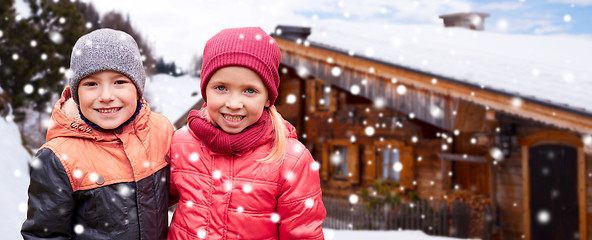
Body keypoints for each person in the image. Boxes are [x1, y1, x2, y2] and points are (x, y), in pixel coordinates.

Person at [167, 27, 326, 239]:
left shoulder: (290, 159)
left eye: (250, 91)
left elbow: (302, 233)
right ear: (205, 90)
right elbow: (147, 204)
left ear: (268, 98)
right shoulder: (181, 143)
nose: (233, 104)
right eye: (221, 87)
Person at [21, 28, 174, 240]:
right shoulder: (58, 158)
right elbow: (44, 235)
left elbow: (183, 189)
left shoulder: (161, 130)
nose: (106, 96)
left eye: (119, 82)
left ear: (137, 88)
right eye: (91, 84)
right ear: (76, 93)